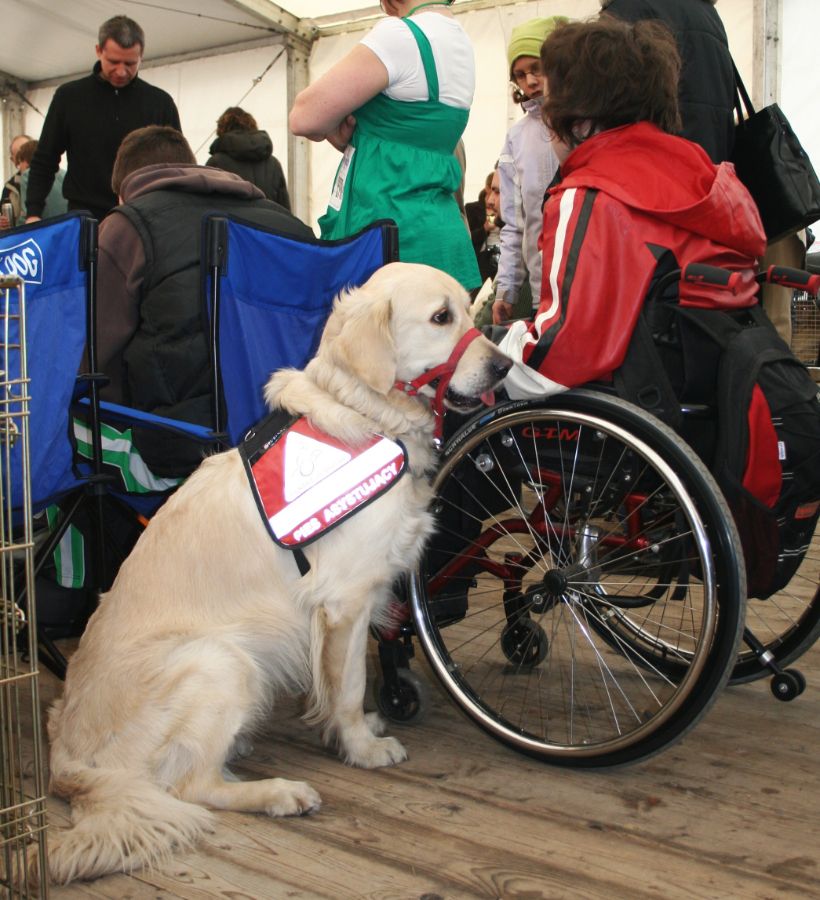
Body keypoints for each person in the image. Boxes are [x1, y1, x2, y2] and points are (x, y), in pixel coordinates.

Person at [498, 16, 766, 401]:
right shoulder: (701, 168)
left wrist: (487, 354)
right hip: (715, 393)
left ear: (580, 118)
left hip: (640, 401)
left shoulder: (588, 194)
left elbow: (556, 358)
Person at [96, 126, 313, 476]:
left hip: (185, 449)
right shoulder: (285, 221)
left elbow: (92, 354)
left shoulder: (129, 224)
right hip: (298, 437)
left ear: (124, 190)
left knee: (65, 420)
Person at [289, 0, 480, 292]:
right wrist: (361, 141)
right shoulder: (459, 43)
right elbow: (409, 139)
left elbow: (303, 117)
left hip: (387, 242)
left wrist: (338, 130)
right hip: (439, 240)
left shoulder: (399, 35)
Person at [25, 15, 180, 223]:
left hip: (143, 218)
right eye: (113, 62)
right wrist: (33, 212)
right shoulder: (69, 97)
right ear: (99, 51)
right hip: (84, 219)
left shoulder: (160, 103)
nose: (122, 71)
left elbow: (177, 167)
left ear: (141, 56)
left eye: (130, 63)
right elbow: (45, 158)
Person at [492, 17, 567, 326]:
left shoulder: (587, 121)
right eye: (520, 74)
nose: (530, 81)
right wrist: (506, 289)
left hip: (590, 283)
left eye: (536, 68)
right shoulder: (517, 137)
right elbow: (514, 224)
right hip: (542, 291)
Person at [600, 0, 735, 164]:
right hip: (709, 171)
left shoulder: (627, 10)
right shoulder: (709, 16)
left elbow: (600, 104)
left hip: (648, 172)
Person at [206, 106, 291, 210]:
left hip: (232, 225)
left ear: (221, 129)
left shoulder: (216, 162)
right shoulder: (273, 163)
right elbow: (284, 209)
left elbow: (206, 207)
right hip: (267, 224)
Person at [16, 140, 68, 220]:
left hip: (45, 229)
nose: (19, 168)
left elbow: (26, 215)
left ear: (25, 161)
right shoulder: (65, 175)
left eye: (19, 163)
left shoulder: (27, 176)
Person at [0, 133, 34, 228]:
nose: (25, 157)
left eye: (28, 151)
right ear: (13, 160)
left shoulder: (52, 178)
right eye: (20, 155)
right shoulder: (9, 188)